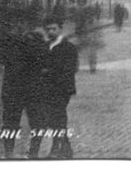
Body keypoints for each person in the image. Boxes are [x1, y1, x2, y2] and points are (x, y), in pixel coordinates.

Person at [0, 10, 46, 158]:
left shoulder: (36, 39)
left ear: (28, 25)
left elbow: (42, 59)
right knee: (10, 122)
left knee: (37, 122)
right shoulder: (7, 40)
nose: (19, 26)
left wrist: (29, 40)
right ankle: (9, 153)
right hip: (13, 87)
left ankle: (33, 153)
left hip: (33, 87)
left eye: (23, 23)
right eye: (16, 23)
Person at [36, 15, 78, 159]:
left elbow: (71, 68)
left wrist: (49, 71)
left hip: (62, 89)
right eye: (48, 29)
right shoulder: (44, 47)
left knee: (57, 117)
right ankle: (66, 149)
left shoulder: (69, 47)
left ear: (60, 29)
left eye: (54, 29)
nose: (51, 32)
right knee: (54, 119)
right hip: (47, 89)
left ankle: (56, 149)